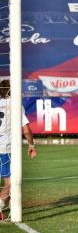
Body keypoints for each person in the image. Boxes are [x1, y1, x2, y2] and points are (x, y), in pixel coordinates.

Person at [0, 80, 36, 221]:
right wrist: (31, 145)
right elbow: (26, 130)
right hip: (5, 148)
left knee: (7, 182)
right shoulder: (14, 105)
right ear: (10, 91)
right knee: (10, 183)